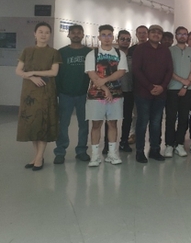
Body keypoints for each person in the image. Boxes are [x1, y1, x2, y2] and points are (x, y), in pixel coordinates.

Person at [16, 22, 62, 171]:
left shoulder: (53, 52)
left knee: (43, 123)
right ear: (35, 34)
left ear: (50, 35)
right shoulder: (27, 51)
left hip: (46, 91)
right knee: (33, 123)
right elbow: (18, 70)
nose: (43, 35)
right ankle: (36, 155)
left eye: (47, 32)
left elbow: (53, 72)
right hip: (29, 92)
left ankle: (40, 157)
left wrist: (33, 73)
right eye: (40, 32)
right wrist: (31, 77)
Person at [85, 24, 128, 167]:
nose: (107, 38)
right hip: (96, 95)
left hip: (116, 95)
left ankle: (112, 154)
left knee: (112, 123)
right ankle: (95, 156)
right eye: (103, 35)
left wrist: (106, 80)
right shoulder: (92, 54)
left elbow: (121, 72)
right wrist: (105, 89)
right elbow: (92, 75)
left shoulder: (120, 54)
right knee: (96, 124)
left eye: (109, 35)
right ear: (99, 37)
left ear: (113, 37)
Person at [132, 24, 173, 163]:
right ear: (149, 34)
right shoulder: (140, 49)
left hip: (160, 94)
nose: (156, 34)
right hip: (143, 93)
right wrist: (150, 86)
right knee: (142, 122)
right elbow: (136, 70)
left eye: (159, 33)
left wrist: (162, 87)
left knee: (156, 123)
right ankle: (140, 151)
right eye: (153, 32)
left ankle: (155, 149)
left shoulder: (165, 50)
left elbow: (169, 70)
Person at [53, 24, 92, 164]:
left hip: (84, 95)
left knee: (84, 125)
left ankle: (81, 151)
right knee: (63, 124)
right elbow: (57, 74)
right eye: (73, 32)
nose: (76, 35)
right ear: (68, 35)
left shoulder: (89, 52)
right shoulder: (61, 52)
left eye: (79, 32)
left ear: (83, 35)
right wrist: (57, 91)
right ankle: (60, 152)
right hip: (65, 94)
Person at [165, 26, 191, 158]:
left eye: (185, 34)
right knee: (171, 118)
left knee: (184, 118)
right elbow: (168, 70)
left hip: (188, 90)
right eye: (180, 34)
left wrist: (185, 85)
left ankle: (179, 144)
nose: (182, 36)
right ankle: (169, 144)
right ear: (176, 35)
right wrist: (182, 81)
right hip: (172, 89)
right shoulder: (169, 50)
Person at [127, 25, 148, 145]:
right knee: (135, 113)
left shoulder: (152, 48)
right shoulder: (131, 50)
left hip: (149, 86)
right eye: (140, 33)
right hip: (134, 85)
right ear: (136, 34)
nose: (142, 35)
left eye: (144, 33)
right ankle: (133, 134)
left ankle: (145, 135)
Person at [117, 30, 134, 152]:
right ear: (117, 40)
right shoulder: (113, 54)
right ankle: (108, 144)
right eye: (122, 39)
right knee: (111, 119)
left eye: (128, 39)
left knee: (127, 118)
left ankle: (124, 141)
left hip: (130, 90)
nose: (125, 41)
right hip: (115, 90)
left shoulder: (134, 55)